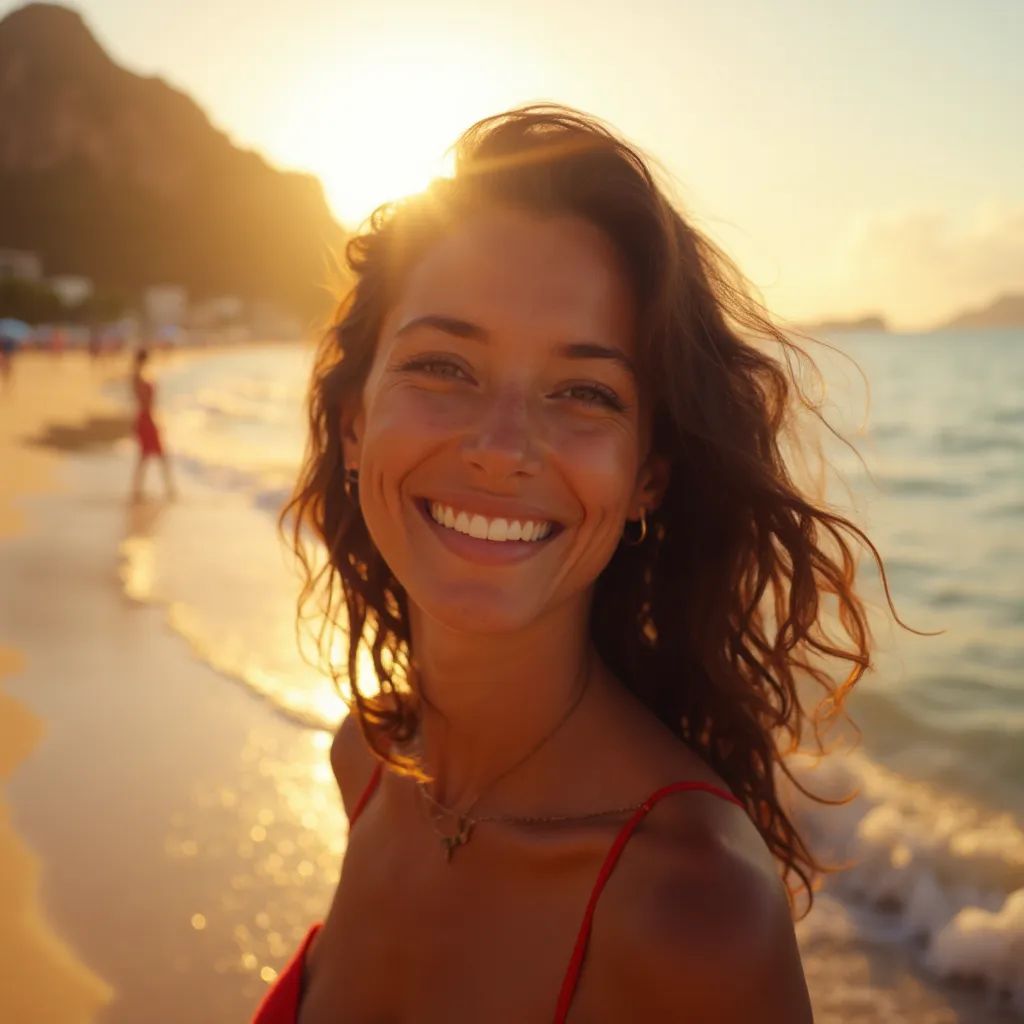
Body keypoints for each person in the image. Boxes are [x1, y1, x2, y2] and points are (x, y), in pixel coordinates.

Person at [254, 105, 897, 1023]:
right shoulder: (368, 760)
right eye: (444, 366)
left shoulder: (697, 911)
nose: (501, 447)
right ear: (357, 423)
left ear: (647, 477)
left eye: (584, 391)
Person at [129, 347, 175, 501]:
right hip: (147, 418)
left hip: (145, 417)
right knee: (157, 455)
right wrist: (153, 419)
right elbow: (146, 401)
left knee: (146, 456)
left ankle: (139, 490)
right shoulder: (139, 377)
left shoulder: (138, 376)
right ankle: (169, 489)